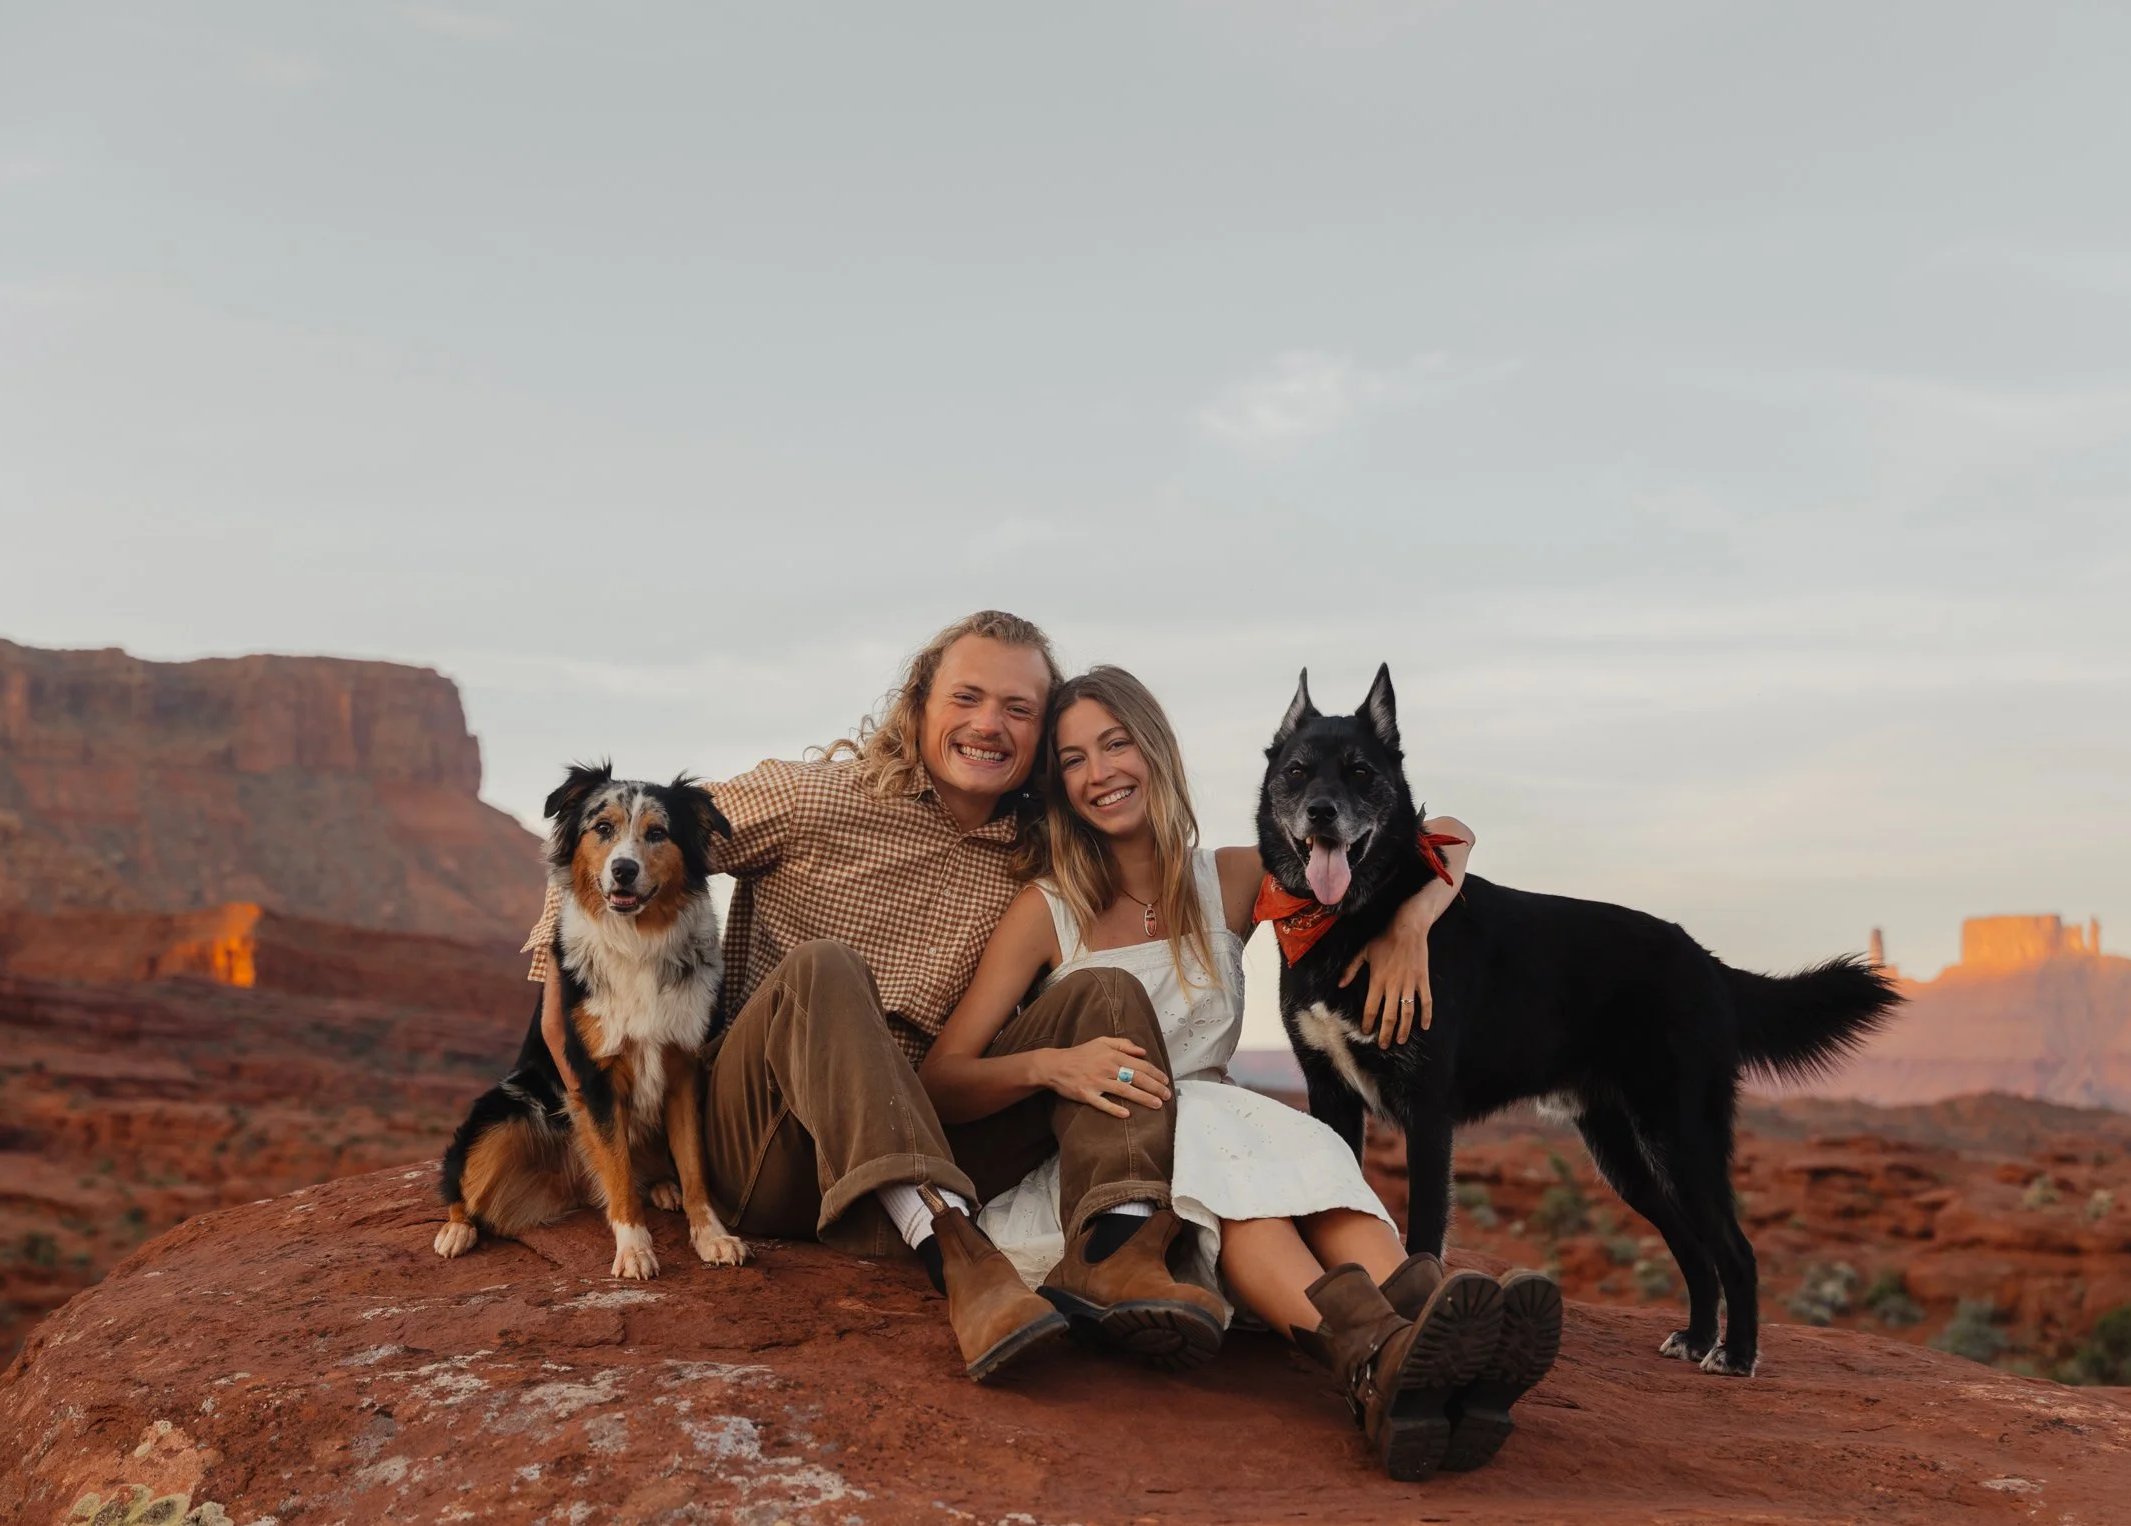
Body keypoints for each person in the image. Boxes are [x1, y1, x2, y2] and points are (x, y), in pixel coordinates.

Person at [522, 611, 1448, 1387]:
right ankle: (964, 1265)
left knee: (1105, 988)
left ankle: (1116, 1253)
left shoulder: (1039, 854)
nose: (988, 724)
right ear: (919, 704)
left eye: (1018, 708)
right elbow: (616, 842)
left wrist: (1413, 919)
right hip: (767, 1144)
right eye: (966, 697)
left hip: (925, 1148)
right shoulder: (812, 800)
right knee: (826, 969)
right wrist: (566, 1013)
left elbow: (1389, 852)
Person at [922, 667, 1563, 1478]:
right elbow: (943, 1079)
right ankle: (1375, 1361)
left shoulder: (1230, 879)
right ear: (1057, 782)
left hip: (1227, 1132)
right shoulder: (1045, 909)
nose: (1100, 771)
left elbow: (1444, 833)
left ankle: (1430, 1334)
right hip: (1119, 1163)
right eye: (1073, 757)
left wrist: (1414, 921)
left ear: (1155, 751)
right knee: (1237, 1171)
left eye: (1116, 744)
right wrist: (1053, 1065)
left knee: (1301, 1161)